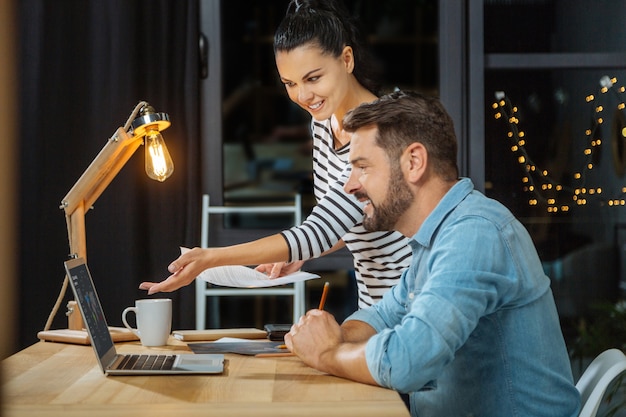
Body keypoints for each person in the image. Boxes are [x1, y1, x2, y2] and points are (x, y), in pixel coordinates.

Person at [284, 90, 581, 417]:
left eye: (363, 167)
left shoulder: (474, 235)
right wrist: (332, 336)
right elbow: (381, 317)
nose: (350, 186)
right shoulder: (436, 240)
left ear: (414, 162)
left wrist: (327, 353)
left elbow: (408, 361)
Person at [140, 0, 412, 308]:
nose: (303, 96)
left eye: (313, 78)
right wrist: (299, 254)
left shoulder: (379, 131)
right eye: (290, 83)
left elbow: (321, 230)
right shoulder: (324, 124)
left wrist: (209, 258)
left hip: (413, 306)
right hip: (375, 308)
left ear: (346, 59)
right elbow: (349, 217)